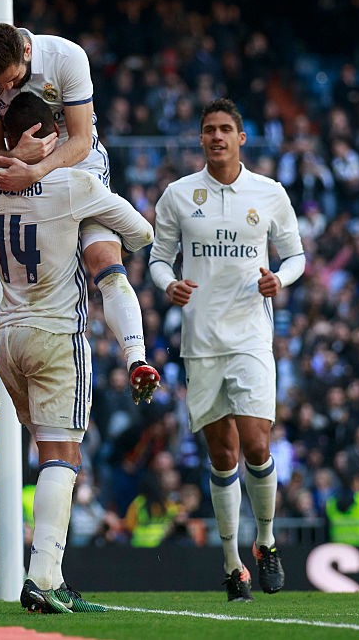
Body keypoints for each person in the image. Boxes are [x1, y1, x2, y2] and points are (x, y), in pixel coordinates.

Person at [0, 91, 154, 613]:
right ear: (49, 135)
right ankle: (45, 579)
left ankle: (47, 576)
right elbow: (142, 233)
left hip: (5, 336)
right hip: (56, 334)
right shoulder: (75, 183)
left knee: (46, 451)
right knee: (64, 457)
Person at [0, 22, 159, 439]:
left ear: (25, 49)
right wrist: (17, 160)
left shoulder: (66, 57)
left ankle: (136, 357)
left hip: (76, 173)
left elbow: (80, 139)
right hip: (17, 173)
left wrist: (37, 169)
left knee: (103, 262)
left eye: (12, 79)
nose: (4, 88)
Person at [149, 97, 305, 602]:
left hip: (251, 337)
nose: (217, 137)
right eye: (209, 130)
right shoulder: (178, 195)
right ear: (200, 139)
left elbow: (297, 254)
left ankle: (266, 541)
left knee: (257, 443)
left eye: (225, 130)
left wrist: (279, 278)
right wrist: (166, 284)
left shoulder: (269, 193)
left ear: (241, 138)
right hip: (201, 341)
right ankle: (232, 563)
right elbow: (157, 259)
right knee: (222, 454)